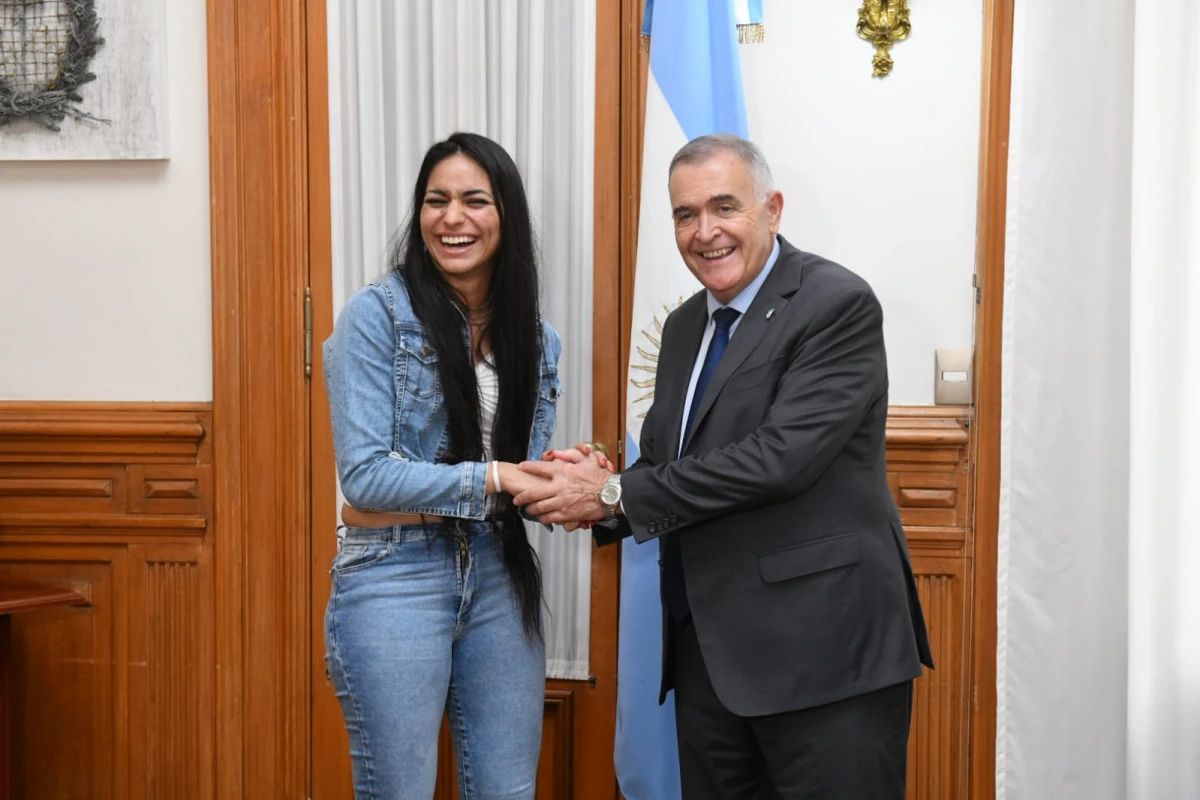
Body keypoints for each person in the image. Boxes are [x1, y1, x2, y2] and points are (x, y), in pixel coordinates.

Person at [515, 133, 934, 799]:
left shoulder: (834, 303)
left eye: (723, 207)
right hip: (711, 661)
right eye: (685, 215)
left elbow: (779, 460)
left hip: (824, 658)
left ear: (772, 208)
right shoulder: (686, 326)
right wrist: (591, 476)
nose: (704, 232)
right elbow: (674, 461)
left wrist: (616, 493)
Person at [323, 132, 561, 799]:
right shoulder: (377, 316)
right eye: (437, 200)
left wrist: (566, 475)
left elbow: (520, 477)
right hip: (392, 572)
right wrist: (495, 476)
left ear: (505, 216)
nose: (452, 217)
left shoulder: (538, 339)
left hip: (497, 570)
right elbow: (365, 480)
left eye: (474, 200)